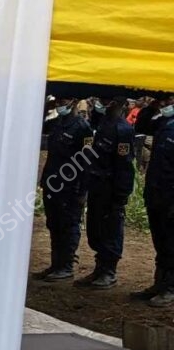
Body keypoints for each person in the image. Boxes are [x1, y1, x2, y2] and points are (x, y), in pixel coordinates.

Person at [79, 98, 137, 289]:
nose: (102, 104)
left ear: (117, 103)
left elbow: (125, 166)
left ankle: (108, 271)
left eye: (107, 101)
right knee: (96, 228)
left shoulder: (123, 129)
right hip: (97, 185)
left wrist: (121, 195)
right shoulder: (104, 123)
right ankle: (99, 267)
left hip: (111, 188)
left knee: (111, 229)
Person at [36, 99, 94, 282]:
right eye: (59, 100)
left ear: (75, 103)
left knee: (68, 225)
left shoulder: (82, 128)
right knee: (54, 224)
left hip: (71, 186)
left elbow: (86, 161)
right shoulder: (57, 123)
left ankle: (67, 266)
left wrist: (82, 191)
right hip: (53, 183)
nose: (61, 104)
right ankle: (56, 264)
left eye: (65, 101)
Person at [134, 96, 174, 306]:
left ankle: (170, 288)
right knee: (160, 244)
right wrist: (153, 104)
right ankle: (160, 283)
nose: (166, 103)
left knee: (171, 244)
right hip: (157, 195)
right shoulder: (165, 123)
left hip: (170, 199)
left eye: (170, 99)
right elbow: (141, 126)